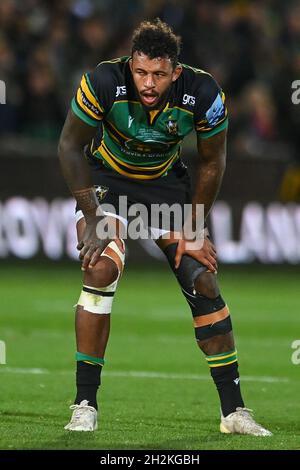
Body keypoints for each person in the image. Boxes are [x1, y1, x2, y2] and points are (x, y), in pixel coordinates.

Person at [58, 19, 271, 436]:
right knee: (99, 268)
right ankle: (84, 403)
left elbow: (213, 161)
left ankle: (234, 412)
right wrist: (92, 214)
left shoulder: (204, 93)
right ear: (130, 65)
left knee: (203, 279)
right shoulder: (102, 80)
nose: (148, 83)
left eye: (158, 74)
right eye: (141, 72)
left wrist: (194, 226)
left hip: (165, 187)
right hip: (110, 184)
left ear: (175, 72)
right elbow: (69, 144)